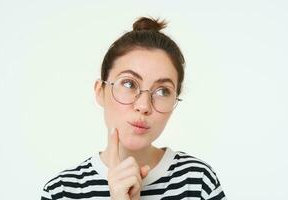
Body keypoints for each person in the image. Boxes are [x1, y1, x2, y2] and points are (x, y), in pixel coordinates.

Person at [41, 16, 227, 200]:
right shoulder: (61, 192)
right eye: (129, 84)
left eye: (162, 91)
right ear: (100, 91)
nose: (143, 106)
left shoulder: (197, 182)